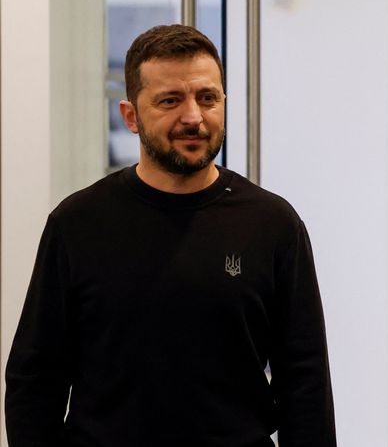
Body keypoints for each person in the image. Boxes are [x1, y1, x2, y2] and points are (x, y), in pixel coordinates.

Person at [5, 25, 336, 446]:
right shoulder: (77, 224)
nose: (193, 117)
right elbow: (35, 379)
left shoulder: (273, 224)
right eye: (170, 100)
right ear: (131, 116)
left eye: (207, 98)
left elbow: (305, 382)